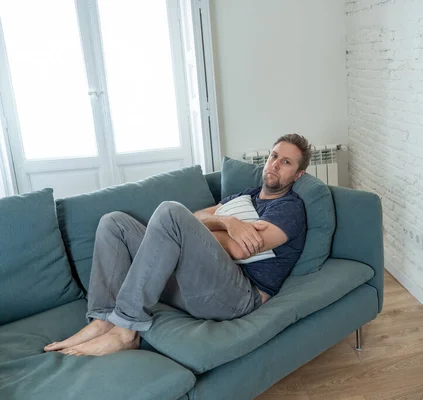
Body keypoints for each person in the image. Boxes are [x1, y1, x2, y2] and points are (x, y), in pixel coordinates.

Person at [43, 134, 311, 357]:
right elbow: (196, 218)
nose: (275, 164)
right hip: (198, 283)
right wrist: (229, 222)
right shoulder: (244, 197)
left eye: (286, 162)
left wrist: (194, 234)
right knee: (114, 223)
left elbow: (241, 250)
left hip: (237, 296)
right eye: (274, 156)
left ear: (298, 174)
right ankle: (104, 318)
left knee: (171, 212)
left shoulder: (288, 208)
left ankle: (126, 332)